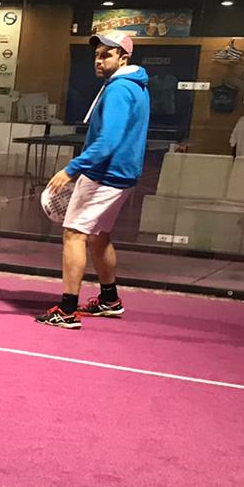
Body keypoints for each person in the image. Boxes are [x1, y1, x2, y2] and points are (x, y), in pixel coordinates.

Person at [34, 31, 150, 329]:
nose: (99, 60)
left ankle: (66, 310)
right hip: (122, 175)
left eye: (107, 55)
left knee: (74, 234)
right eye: (97, 55)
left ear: (124, 57)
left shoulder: (119, 90)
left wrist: (72, 169)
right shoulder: (135, 86)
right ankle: (109, 299)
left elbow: (108, 141)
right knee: (99, 236)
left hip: (104, 175)